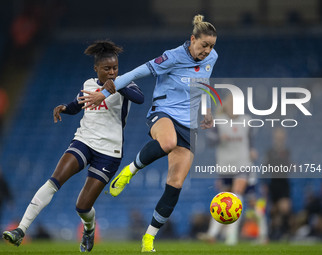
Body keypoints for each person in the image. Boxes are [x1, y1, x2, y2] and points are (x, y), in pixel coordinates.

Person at [79, 14, 217, 252]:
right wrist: (104, 92)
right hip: (163, 113)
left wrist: (206, 110)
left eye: (211, 46)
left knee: (175, 184)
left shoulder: (212, 57)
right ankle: (129, 172)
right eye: (204, 45)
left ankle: (149, 238)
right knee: (167, 142)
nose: (208, 50)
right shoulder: (172, 56)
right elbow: (135, 73)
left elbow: (203, 83)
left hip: (190, 125)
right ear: (192, 39)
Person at [2, 40, 144, 252]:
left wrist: (117, 87)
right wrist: (64, 108)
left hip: (109, 152)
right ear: (96, 69)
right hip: (84, 141)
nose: (112, 72)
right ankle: (20, 230)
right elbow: (78, 104)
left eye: (115, 67)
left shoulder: (125, 83)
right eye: (107, 69)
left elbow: (140, 98)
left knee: (82, 206)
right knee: (53, 181)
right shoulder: (88, 84)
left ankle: (89, 229)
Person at [196, 94, 267, 245]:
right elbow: (209, 140)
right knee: (227, 201)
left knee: (239, 197)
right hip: (226, 167)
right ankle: (213, 234)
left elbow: (250, 141)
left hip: (244, 165)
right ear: (226, 105)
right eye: (231, 103)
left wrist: (252, 150)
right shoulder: (219, 122)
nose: (234, 106)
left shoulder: (246, 120)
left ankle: (232, 237)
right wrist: (219, 138)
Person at [264, 127, 292, 240]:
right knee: (274, 210)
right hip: (273, 184)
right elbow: (265, 169)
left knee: (285, 208)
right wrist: (264, 185)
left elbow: (288, 166)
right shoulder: (270, 152)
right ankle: (273, 232)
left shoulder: (287, 152)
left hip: (283, 184)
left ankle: (286, 233)